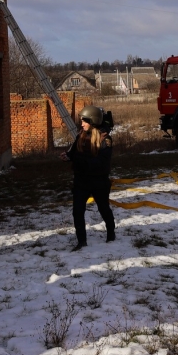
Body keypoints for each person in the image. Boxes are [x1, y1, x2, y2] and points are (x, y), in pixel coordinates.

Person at [61, 105, 115, 251]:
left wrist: (81, 161)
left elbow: (102, 162)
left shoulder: (105, 140)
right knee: (77, 211)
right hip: (81, 180)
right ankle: (81, 241)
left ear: (93, 121)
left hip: (99, 181)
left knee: (103, 208)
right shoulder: (81, 136)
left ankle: (111, 234)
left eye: (85, 121)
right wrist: (68, 156)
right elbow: (74, 152)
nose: (82, 123)